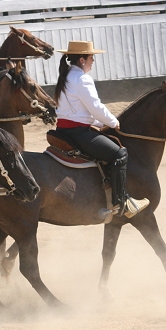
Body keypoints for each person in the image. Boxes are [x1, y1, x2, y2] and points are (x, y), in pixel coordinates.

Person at [53, 41, 150, 219]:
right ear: (82, 59)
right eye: (91, 58)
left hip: (62, 130)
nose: (93, 61)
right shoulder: (82, 79)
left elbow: (79, 110)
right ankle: (121, 203)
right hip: (78, 133)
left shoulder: (66, 77)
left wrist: (98, 123)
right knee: (120, 154)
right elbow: (95, 107)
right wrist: (113, 122)